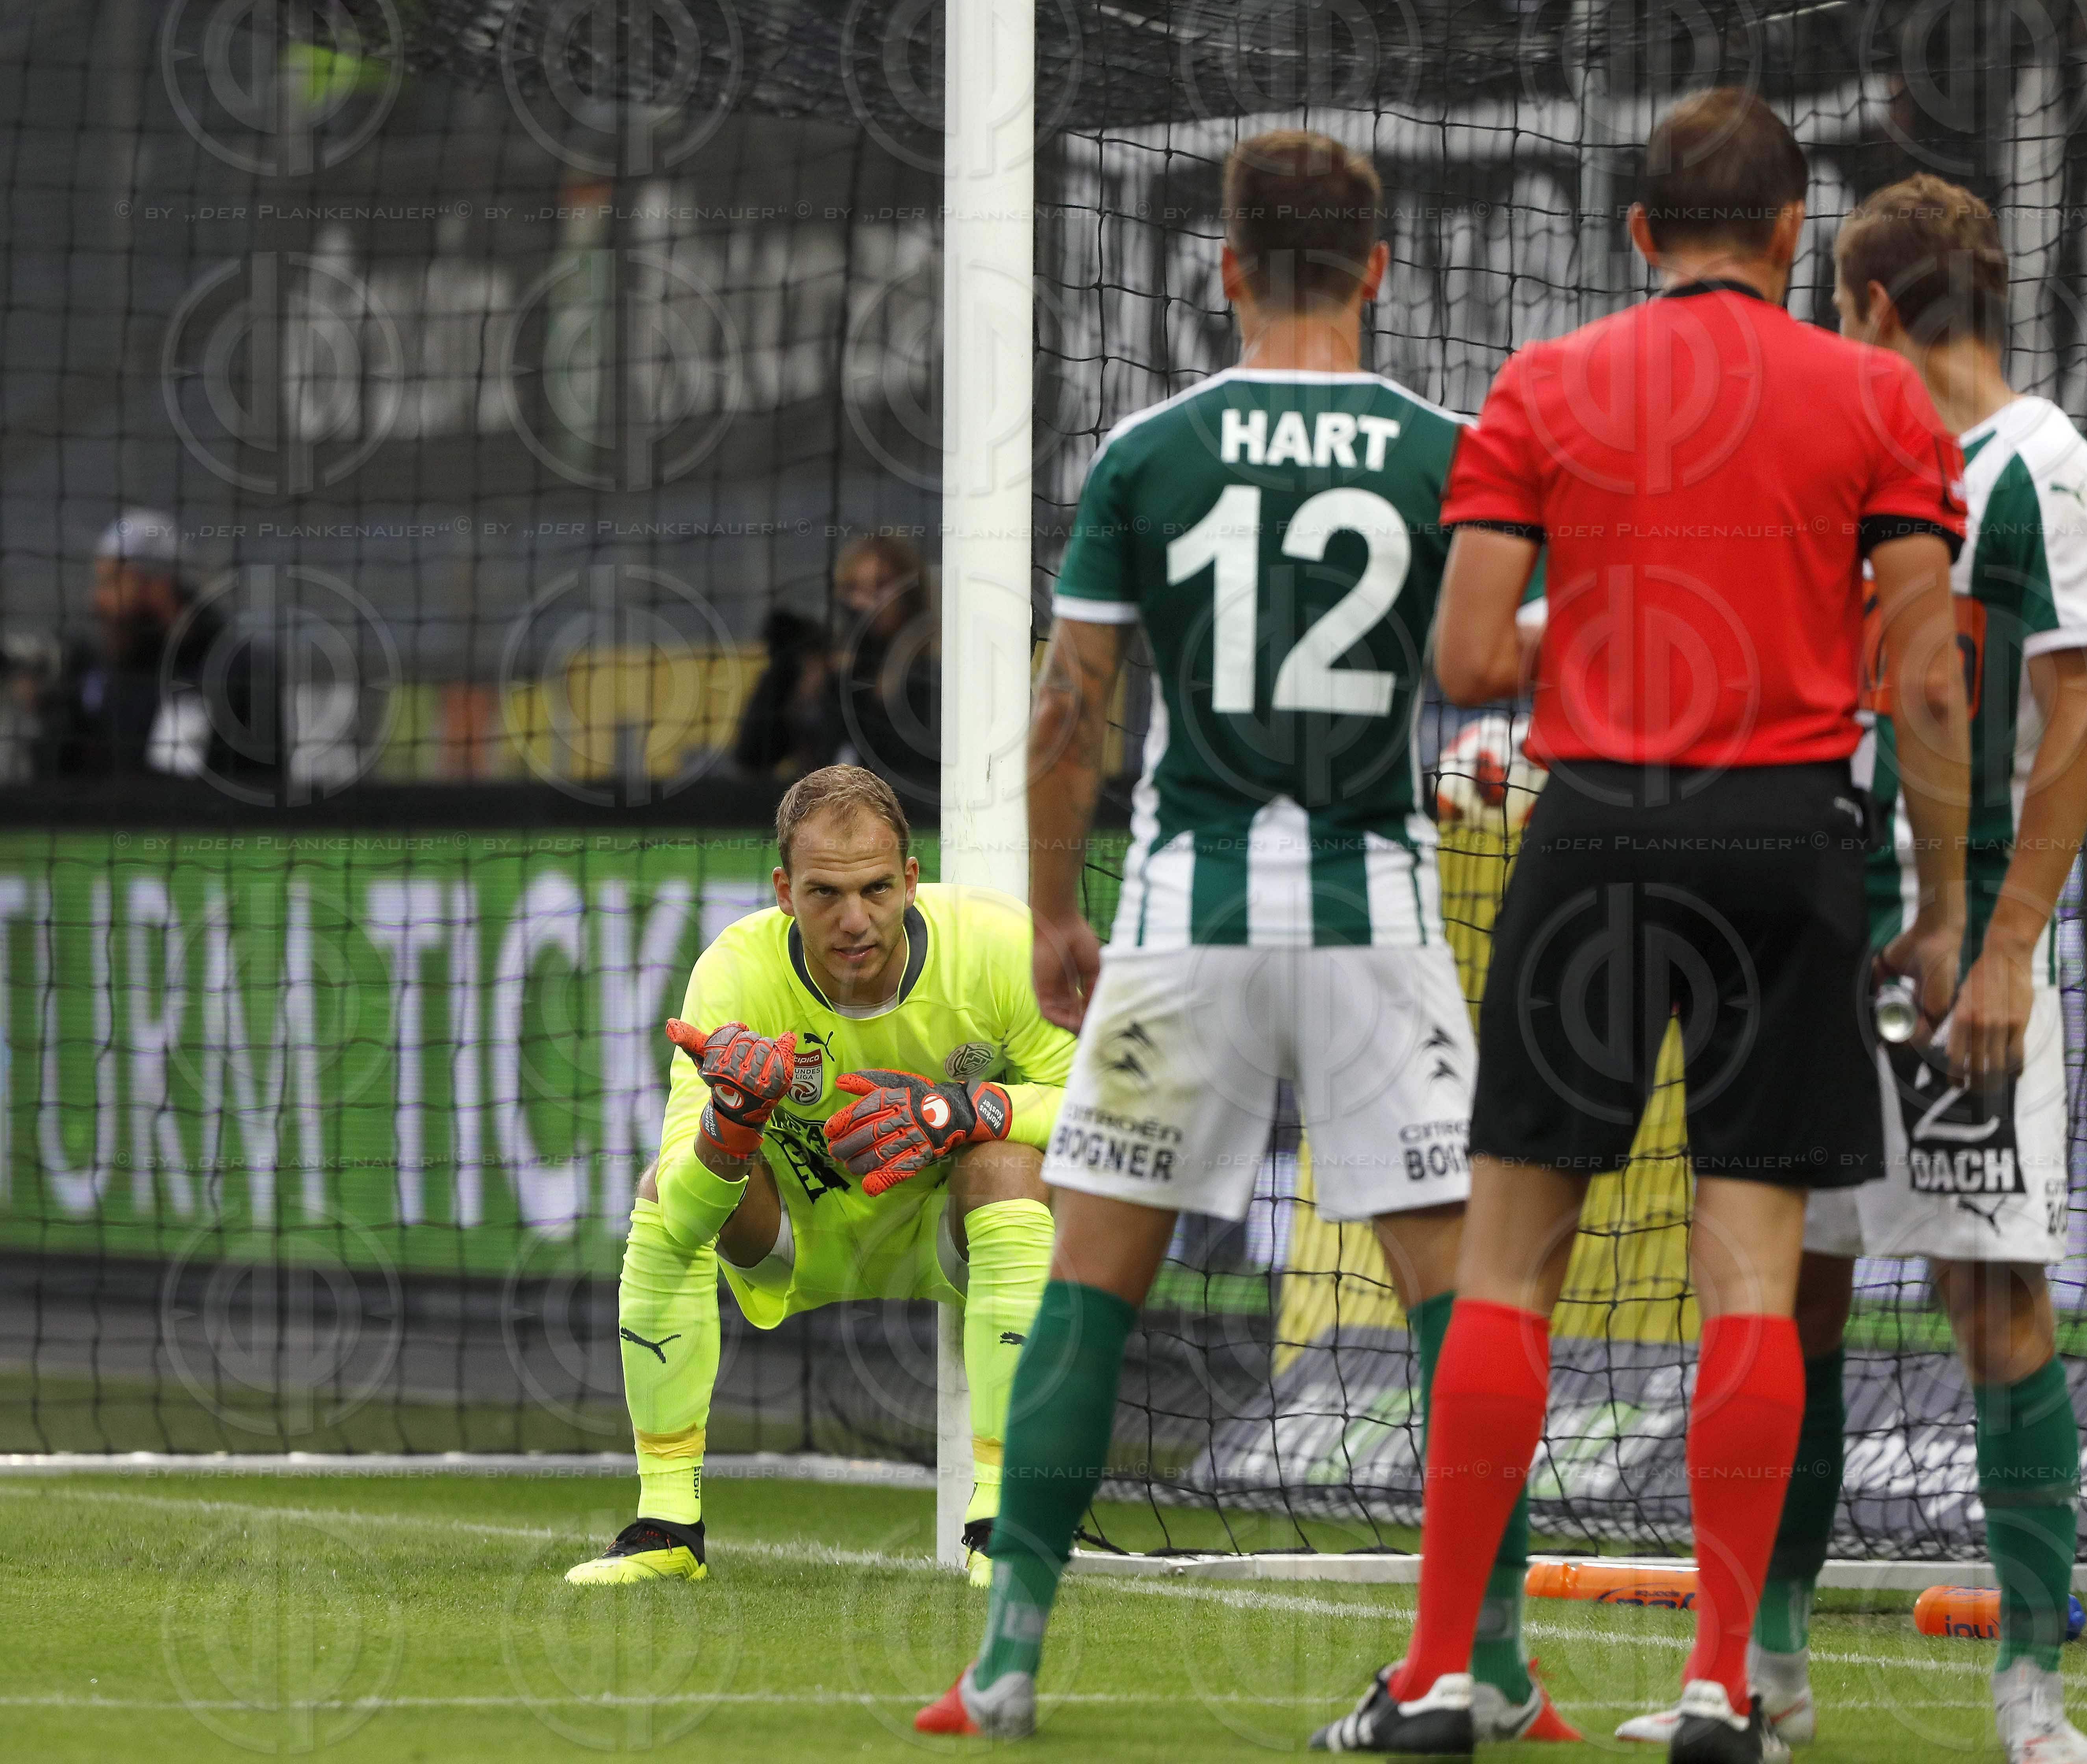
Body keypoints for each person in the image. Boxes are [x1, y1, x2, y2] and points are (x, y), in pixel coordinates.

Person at [1314, 91, 1972, 1762]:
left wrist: (1603, 614)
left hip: (1599, 829)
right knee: (1749, 1272)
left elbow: (1465, 662)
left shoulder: (1544, 385)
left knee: (1512, 1263)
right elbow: (1929, 679)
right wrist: (1954, 901)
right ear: (1787, 235)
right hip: (1789, 843)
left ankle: (1443, 1676)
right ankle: (1719, 1688)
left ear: (1634, 232)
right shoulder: (1879, 396)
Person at [916, 129, 1575, 1745]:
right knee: (1457, 1292)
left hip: (1188, 908)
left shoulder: (1150, 449)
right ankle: (1488, 1658)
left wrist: (1059, 910)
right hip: (1370, 905)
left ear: (1219, 271)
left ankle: (1007, 1658)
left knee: (1092, 1277)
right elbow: (1513, 649)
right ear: (1378, 270)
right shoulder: (1453, 449)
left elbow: (1071, 711)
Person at [1618, 174, 2087, 1764]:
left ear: (1880, 312)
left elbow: (2084, 718)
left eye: (1841, 312)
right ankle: (1766, 1679)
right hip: (1808, 947)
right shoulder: (1853, 467)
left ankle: (2031, 1697)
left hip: (1957, 963)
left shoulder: (2038, 463)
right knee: (1794, 1301)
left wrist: (2008, 945)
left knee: (1995, 1300)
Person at [564, 765, 1066, 1588]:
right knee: (664, 1185)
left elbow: (1106, 1110)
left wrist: (967, 1111)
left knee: (1013, 1160)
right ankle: (666, 1526)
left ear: (911, 879)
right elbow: (687, 1217)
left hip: (946, 1231)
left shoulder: (997, 947)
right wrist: (731, 1125)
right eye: (825, 892)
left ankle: (1003, 1526)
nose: (855, 919)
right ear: (783, 891)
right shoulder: (737, 971)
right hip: (794, 1237)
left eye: (875, 887)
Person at [37, 508, 283, 787]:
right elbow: (66, 787)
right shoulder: (103, 672)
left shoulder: (238, 669)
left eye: (111, 582)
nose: (97, 600)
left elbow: (257, 793)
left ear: (158, 588)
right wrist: (54, 715)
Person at [734, 532, 942, 812]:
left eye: (881, 586)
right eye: (854, 588)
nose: (863, 603)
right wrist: (783, 675)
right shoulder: (823, 675)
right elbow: (753, 756)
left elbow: (908, 776)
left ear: (909, 598)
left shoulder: (930, 680)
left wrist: (869, 692)